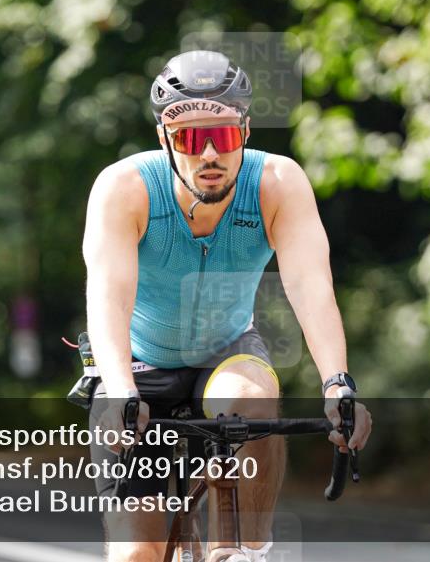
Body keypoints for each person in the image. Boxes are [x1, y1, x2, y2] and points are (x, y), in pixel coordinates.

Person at [79, 50, 372, 562]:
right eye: (192, 139)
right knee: (136, 555)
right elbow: (108, 296)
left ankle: (244, 550)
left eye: (225, 136)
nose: (210, 154)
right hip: (138, 361)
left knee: (251, 400)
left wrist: (338, 385)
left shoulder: (277, 185)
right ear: (165, 141)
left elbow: (310, 285)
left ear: (247, 132)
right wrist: (120, 389)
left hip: (227, 351)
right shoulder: (124, 189)